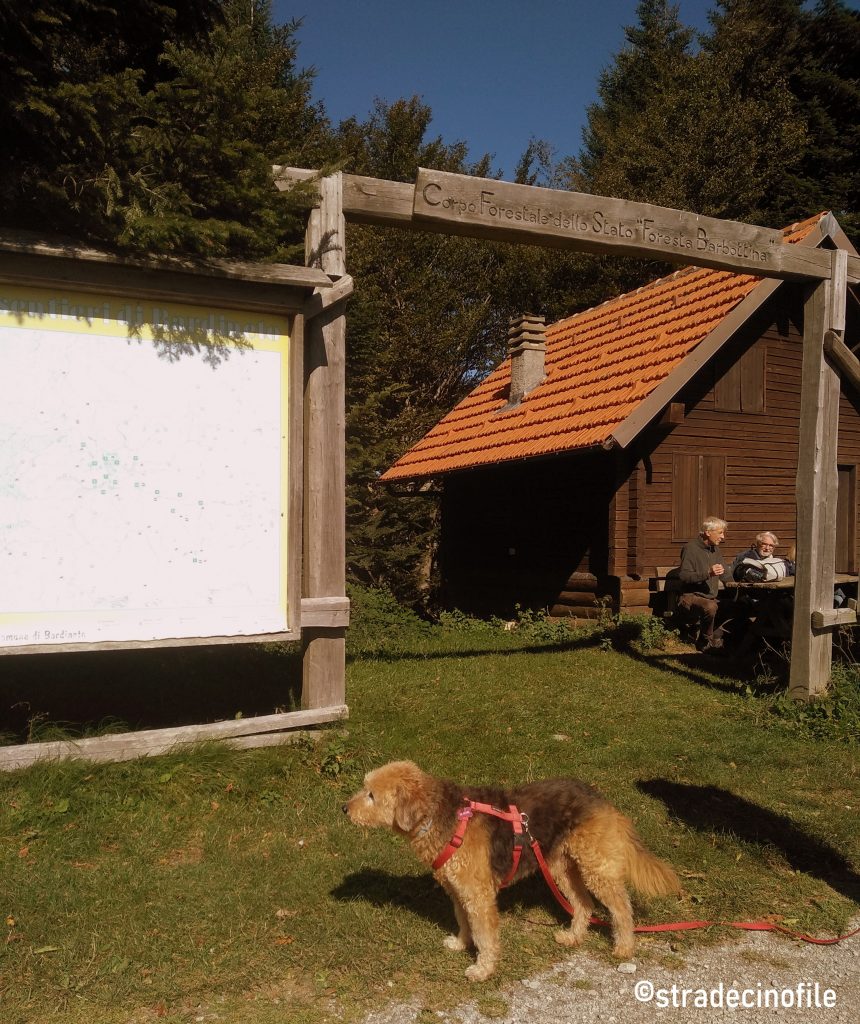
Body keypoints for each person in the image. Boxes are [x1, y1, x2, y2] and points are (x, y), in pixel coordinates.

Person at [677, 516, 730, 651]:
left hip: (710, 597)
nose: (723, 537)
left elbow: (725, 574)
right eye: (720, 533)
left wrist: (737, 588)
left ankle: (712, 637)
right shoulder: (690, 548)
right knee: (711, 607)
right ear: (708, 532)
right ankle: (707, 640)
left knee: (737, 605)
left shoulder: (715, 549)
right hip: (690, 596)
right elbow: (684, 576)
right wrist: (708, 573)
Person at [730, 531, 795, 580]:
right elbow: (739, 573)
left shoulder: (775, 560)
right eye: (764, 544)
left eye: (771, 545)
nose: (767, 548)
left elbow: (790, 570)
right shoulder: (746, 557)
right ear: (758, 544)